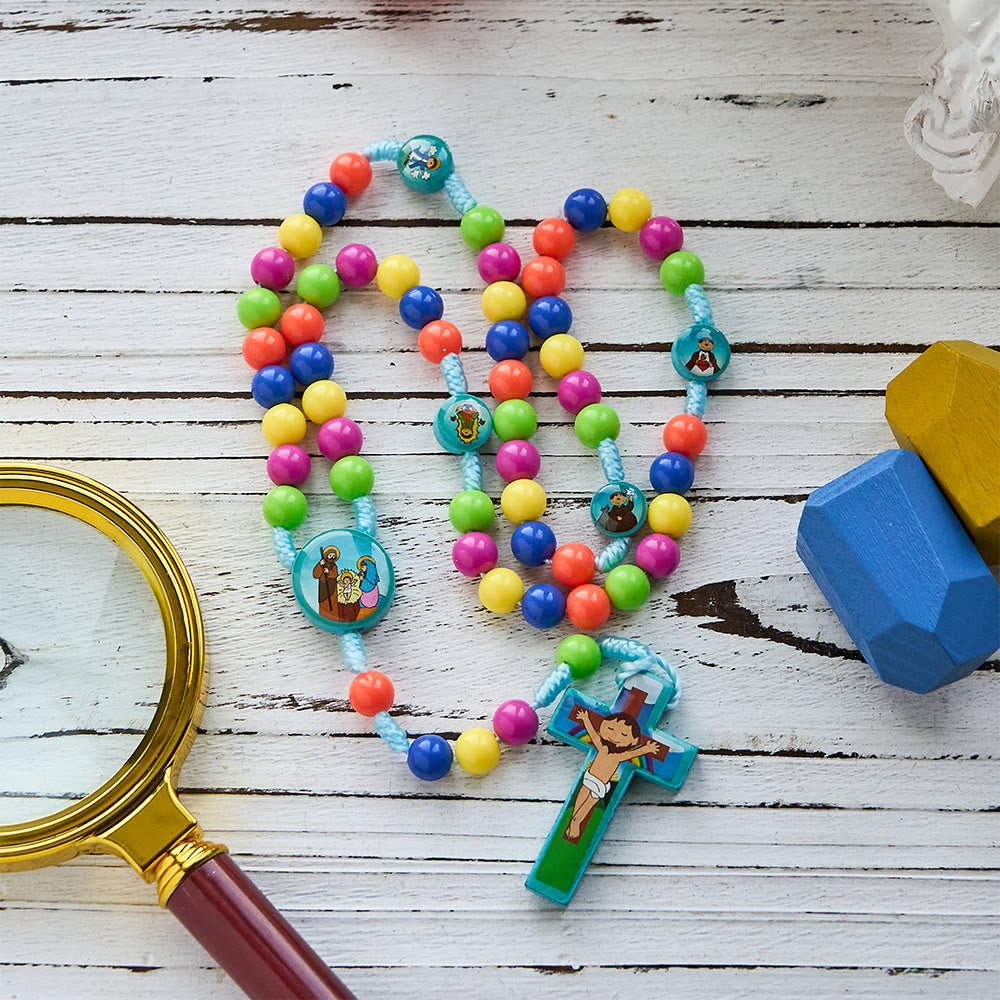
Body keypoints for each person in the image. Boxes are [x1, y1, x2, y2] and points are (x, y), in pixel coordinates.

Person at [563, 706, 661, 843]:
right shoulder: (602, 748)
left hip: (599, 786)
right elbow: (593, 735)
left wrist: (647, 749)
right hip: (589, 778)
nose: (615, 735)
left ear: (633, 741)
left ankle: (576, 824)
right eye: (611, 729)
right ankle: (573, 822)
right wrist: (586, 719)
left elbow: (633, 753)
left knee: (586, 807)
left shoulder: (619, 756)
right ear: (603, 726)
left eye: (624, 735)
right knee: (578, 803)